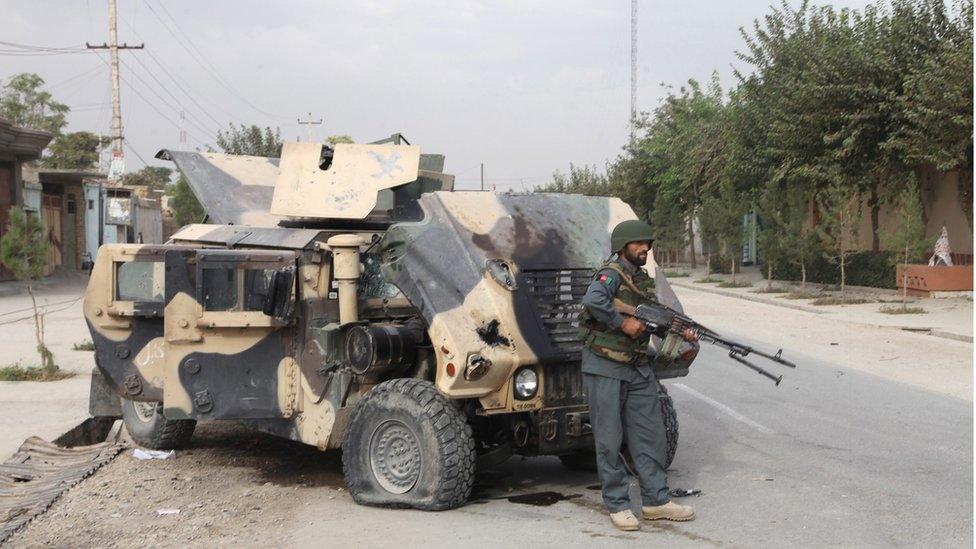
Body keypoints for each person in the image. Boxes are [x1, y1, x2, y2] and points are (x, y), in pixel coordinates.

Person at [578, 219, 695, 531]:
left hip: (637, 365)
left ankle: (657, 501)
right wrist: (620, 324)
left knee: (650, 435)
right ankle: (617, 503)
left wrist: (681, 330)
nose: (644, 248)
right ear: (623, 246)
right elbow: (594, 300)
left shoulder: (641, 279)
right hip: (605, 365)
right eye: (637, 243)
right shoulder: (610, 274)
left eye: (647, 243)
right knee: (609, 438)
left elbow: (650, 315)